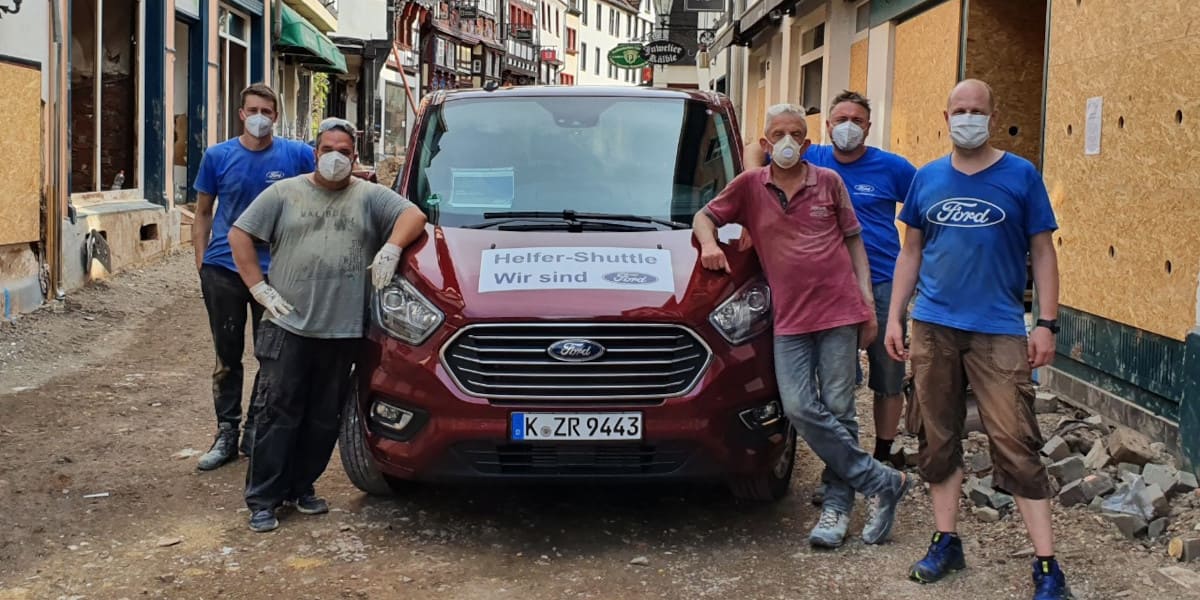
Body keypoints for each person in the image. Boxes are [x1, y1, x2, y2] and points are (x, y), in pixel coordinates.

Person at [694, 103, 910, 549]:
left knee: (838, 408)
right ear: (766, 142)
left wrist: (868, 304)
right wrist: (711, 244)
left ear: (809, 143)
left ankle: (838, 502)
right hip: (789, 319)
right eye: (779, 133)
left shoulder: (828, 182)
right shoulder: (751, 186)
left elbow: (854, 242)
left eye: (796, 133)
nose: (788, 141)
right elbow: (704, 216)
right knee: (797, 407)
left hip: (838, 312)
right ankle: (880, 480)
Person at [885, 79, 1069, 599]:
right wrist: (896, 317)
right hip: (935, 327)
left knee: (1016, 442)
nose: (968, 117)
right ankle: (947, 540)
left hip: (999, 329)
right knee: (936, 439)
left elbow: (1043, 251)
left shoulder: (1021, 175)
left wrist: (1047, 322)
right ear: (946, 118)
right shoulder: (926, 178)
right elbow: (911, 252)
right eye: (959, 110)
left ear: (992, 115)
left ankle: (1047, 566)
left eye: (977, 110)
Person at [228, 117, 428, 533]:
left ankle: (303, 487)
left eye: (345, 152)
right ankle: (264, 498)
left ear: (355, 157)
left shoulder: (370, 197)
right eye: (328, 150)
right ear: (315, 152)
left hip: (343, 331)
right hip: (289, 325)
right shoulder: (284, 193)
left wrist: (392, 246)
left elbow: (414, 216)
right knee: (276, 413)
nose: (335, 158)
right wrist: (258, 288)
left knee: (323, 417)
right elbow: (240, 234)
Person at [192, 83, 316, 471]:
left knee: (273, 355)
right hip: (225, 270)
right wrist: (202, 265)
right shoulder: (218, 156)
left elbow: (321, 196)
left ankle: (256, 430)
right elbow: (202, 212)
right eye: (252, 110)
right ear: (241, 113)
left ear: (276, 116)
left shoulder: (297, 155)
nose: (260, 117)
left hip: (278, 271)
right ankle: (226, 431)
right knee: (227, 357)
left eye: (267, 110)